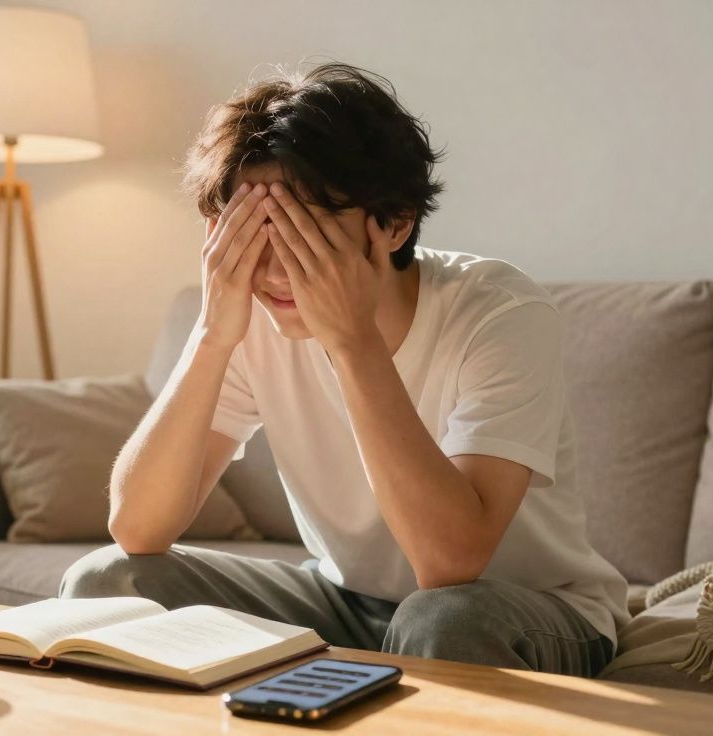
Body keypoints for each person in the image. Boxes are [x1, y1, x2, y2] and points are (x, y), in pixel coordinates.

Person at [59, 61, 630, 677]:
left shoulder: (501, 311)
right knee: (108, 580)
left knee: (440, 619)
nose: (277, 270)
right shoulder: (251, 317)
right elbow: (138, 529)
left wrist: (353, 342)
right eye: (255, 232)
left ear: (394, 222)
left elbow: (449, 563)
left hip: (522, 609)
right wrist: (211, 335)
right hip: (345, 600)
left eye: (305, 234)